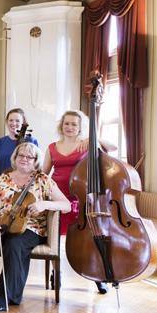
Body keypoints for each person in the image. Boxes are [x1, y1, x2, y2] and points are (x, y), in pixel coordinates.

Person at [0, 142, 70, 312]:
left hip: (30, 229)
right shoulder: (3, 178)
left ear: (36, 160)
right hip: (3, 223)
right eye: (21, 155)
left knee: (14, 245)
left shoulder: (43, 180)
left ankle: (7, 295)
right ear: (15, 158)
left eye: (29, 157)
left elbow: (66, 205)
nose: (24, 159)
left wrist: (44, 204)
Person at [42, 110, 110, 294]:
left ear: (80, 128)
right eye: (67, 123)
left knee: (90, 238)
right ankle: (56, 274)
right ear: (61, 126)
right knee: (55, 239)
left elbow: (112, 149)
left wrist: (96, 140)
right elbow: (43, 174)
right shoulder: (52, 147)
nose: (70, 127)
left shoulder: (86, 144)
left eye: (74, 124)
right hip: (58, 198)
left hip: (80, 197)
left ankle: (98, 276)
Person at [0, 107, 38, 182]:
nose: (13, 123)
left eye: (17, 121)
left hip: (25, 184)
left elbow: (36, 165)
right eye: (11, 120)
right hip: (3, 184)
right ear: (7, 122)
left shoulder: (31, 141)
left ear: (23, 123)